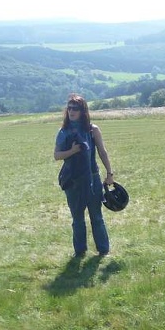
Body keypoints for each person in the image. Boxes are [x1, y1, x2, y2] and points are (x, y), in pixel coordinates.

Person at [54, 94, 115, 257]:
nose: (71, 111)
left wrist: (109, 173)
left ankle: (103, 250)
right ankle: (79, 252)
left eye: (75, 108)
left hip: (92, 178)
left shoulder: (93, 129)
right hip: (72, 180)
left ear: (83, 111)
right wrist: (72, 151)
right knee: (77, 218)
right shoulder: (63, 132)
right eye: (69, 108)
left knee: (96, 216)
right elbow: (57, 155)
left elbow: (102, 152)